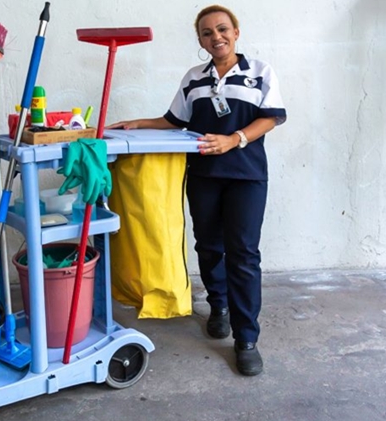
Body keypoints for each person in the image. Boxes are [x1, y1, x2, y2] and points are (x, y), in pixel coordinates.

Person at [107, 4, 286, 376]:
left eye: (222, 29)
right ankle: (218, 306)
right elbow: (174, 120)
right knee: (208, 245)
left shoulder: (260, 73)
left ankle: (246, 338)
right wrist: (138, 122)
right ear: (200, 40)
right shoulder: (194, 78)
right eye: (207, 33)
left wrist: (233, 139)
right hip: (203, 175)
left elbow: (271, 117)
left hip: (247, 176)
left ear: (236, 31)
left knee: (244, 254)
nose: (216, 37)